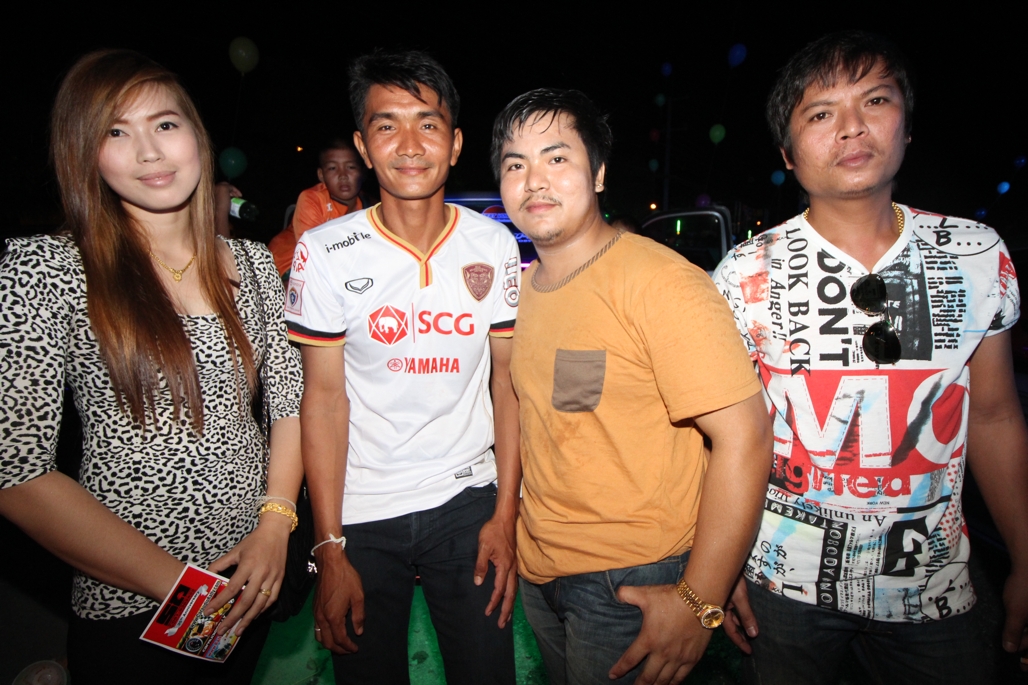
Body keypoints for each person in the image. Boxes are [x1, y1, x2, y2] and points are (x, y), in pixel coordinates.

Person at [713, 31, 1028, 685]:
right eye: (820, 113)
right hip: (782, 587)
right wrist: (720, 566)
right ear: (788, 154)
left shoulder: (974, 253)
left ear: (907, 125)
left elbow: (995, 414)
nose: (851, 127)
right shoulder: (744, 272)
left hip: (934, 586)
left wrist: (1026, 556)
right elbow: (722, 437)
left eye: (875, 100)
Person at [0, 50, 303, 684]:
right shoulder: (43, 269)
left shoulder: (253, 265)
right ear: (84, 152)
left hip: (252, 577)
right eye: (115, 132)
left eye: (165, 124)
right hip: (134, 603)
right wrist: (190, 593)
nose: (148, 151)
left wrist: (276, 526)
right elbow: (18, 473)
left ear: (197, 134)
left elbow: (288, 404)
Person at [493, 88, 773, 685]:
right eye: (515, 165)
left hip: (632, 582)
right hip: (541, 573)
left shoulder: (660, 281)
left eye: (556, 158)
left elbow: (745, 438)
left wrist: (701, 595)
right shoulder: (527, 291)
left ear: (597, 174)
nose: (534, 180)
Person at [284, 50, 519, 685]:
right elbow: (322, 401)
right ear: (363, 145)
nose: (410, 145)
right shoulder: (324, 252)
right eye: (387, 125)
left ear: (456, 142)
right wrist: (328, 546)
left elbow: (507, 386)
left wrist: (505, 515)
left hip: (467, 500)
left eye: (428, 123)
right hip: (360, 509)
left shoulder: (493, 244)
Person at [269, 140, 365, 278]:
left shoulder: (369, 207)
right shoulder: (312, 198)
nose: (343, 176)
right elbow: (311, 253)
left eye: (351, 167)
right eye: (333, 168)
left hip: (335, 271)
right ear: (321, 175)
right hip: (287, 266)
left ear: (362, 171)